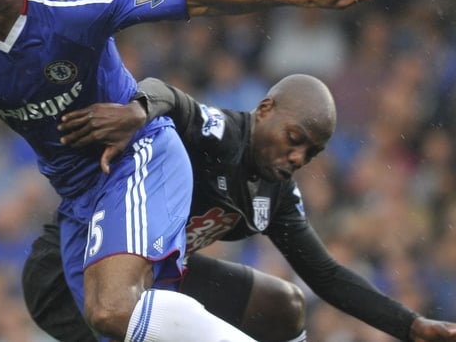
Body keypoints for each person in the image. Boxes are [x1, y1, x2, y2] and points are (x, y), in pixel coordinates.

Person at [0, 0, 386, 341]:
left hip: (139, 155)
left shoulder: (74, 7)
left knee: (113, 310)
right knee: (102, 321)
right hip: (80, 195)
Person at [22, 74, 456, 342]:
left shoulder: (276, 194)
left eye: (311, 153)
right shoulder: (218, 134)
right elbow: (167, 94)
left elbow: (326, 275)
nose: (298, 158)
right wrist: (139, 110)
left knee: (285, 305)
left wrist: (410, 325)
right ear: (265, 110)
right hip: (75, 272)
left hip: (157, 281)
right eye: (294, 138)